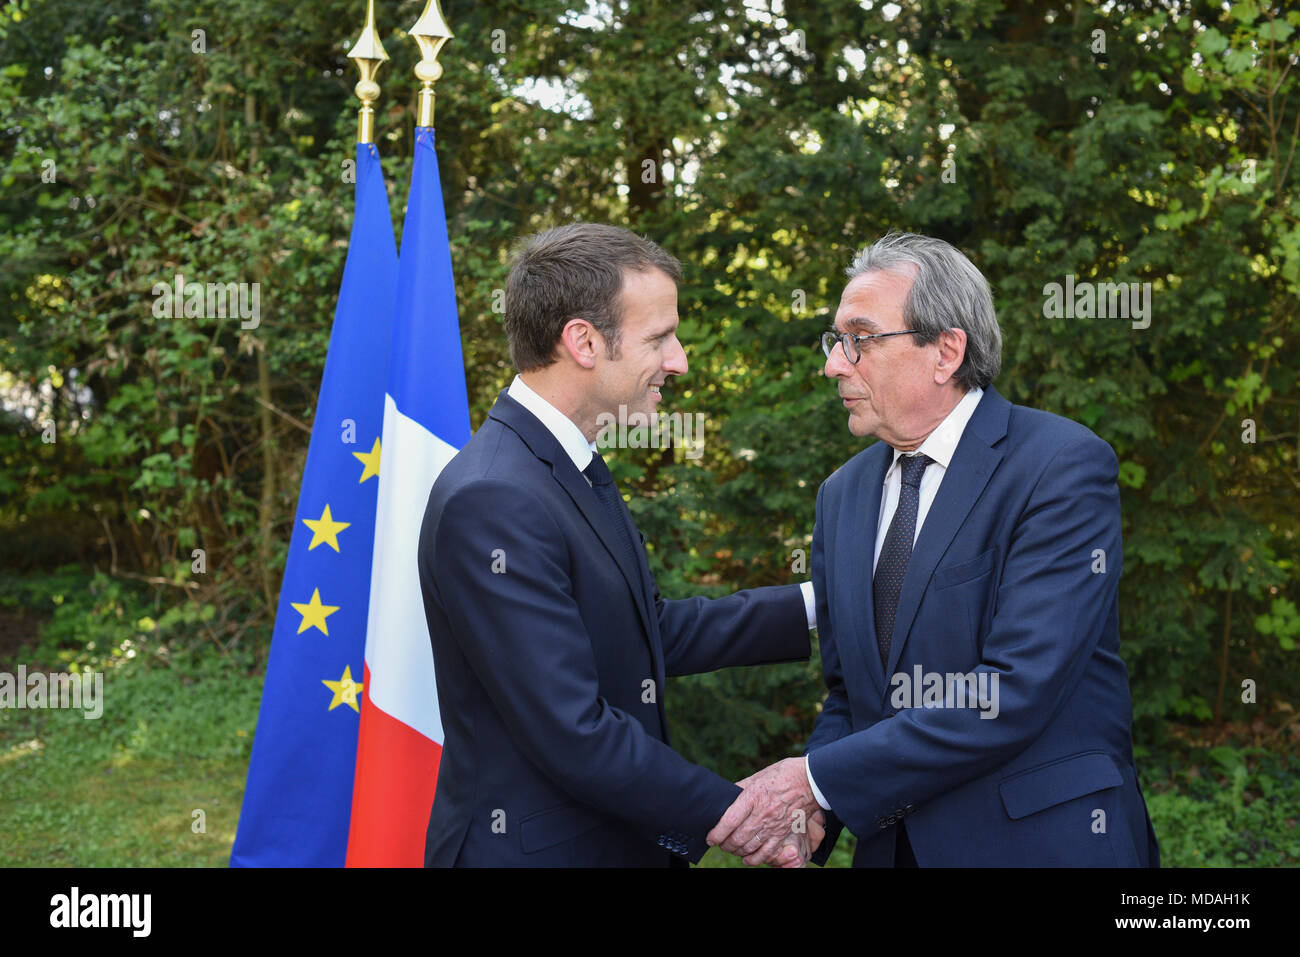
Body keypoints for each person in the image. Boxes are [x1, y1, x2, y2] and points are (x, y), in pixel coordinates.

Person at [709, 231, 1160, 867]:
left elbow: (1013, 689)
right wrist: (816, 810)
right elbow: (851, 696)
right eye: (834, 342)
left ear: (945, 351)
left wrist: (811, 781)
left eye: (859, 339)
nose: (835, 364)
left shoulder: (1058, 465)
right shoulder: (841, 496)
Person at [418, 223, 822, 867]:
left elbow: (643, 632)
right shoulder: (493, 497)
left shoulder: (565, 464)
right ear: (582, 341)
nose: (680, 359)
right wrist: (741, 816)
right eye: (659, 337)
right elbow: (571, 731)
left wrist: (818, 605)